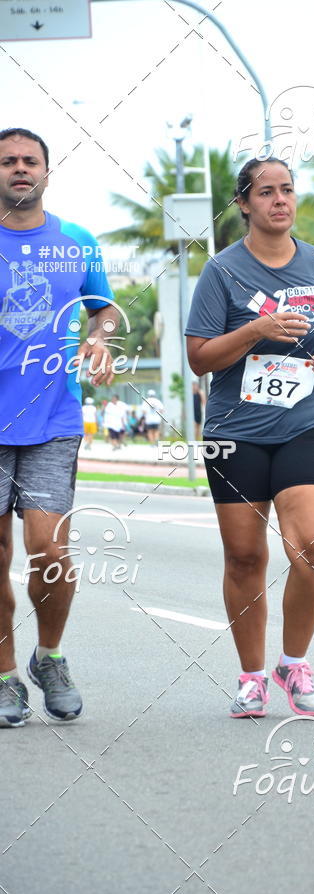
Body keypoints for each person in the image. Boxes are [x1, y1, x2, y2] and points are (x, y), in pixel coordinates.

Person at [186, 157, 314, 719]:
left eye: (287, 190)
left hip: (305, 423)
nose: (280, 200)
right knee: (245, 558)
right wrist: (257, 329)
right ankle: (252, 675)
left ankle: (293, 663)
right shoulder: (222, 272)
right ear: (244, 205)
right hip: (236, 433)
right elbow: (198, 359)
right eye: (266, 192)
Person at [0, 127, 117, 727]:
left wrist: (99, 342)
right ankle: (5, 676)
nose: (21, 169)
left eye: (31, 161)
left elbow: (104, 309)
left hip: (53, 417)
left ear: (48, 171)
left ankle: (50, 655)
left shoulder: (76, 241)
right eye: (9, 161)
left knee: (48, 551)